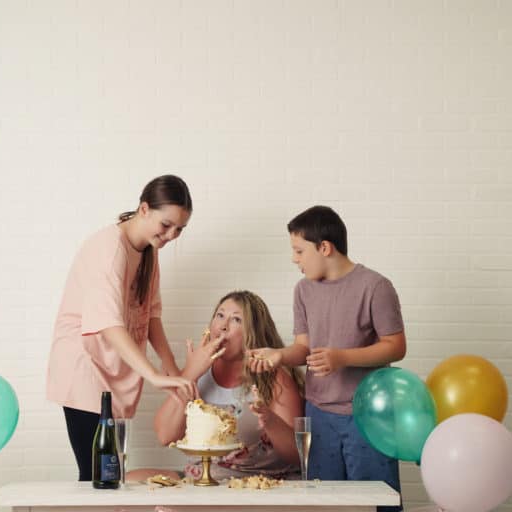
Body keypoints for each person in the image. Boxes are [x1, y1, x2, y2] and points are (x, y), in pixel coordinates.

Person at [248, 205, 406, 512]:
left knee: (375, 503)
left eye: (299, 251)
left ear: (324, 247)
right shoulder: (303, 290)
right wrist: (279, 355)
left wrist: (342, 357)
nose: (295, 259)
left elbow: (396, 346)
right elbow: (303, 348)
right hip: (319, 414)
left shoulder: (376, 286)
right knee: (324, 503)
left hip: (367, 416)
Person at [46, 174, 198, 481]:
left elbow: (150, 314)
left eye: (179, 229)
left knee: (107, 472)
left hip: (111, 365)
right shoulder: (109, 247)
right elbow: (108, 323)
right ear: (144, 209)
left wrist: (172, 369)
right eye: (166, 224)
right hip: (84, 365)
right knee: (97, 475)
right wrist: (153, 374)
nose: (171, 235)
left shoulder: (148, 251)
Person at [132, 290, 303, 483]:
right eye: (220, 315)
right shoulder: (197, 372)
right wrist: (190, 373)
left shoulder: (274, 377)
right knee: (130, 480)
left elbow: (296, 455)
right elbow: (165, 436)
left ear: (252, 333)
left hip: (256, 481)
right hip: (202, 478)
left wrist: (270, 420)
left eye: (236, 320)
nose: (223, 326)